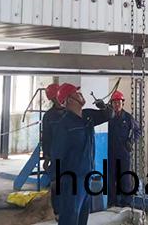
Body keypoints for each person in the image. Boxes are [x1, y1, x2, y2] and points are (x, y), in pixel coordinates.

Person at [52, 83, 111, 225]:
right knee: (70, 218)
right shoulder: (64, 125)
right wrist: (56, 195)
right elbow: (57, 157)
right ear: (69, 100)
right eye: (77, 93)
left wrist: (104, 107)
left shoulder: (87, 116)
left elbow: (110, 115)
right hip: (71, 181)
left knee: (82, 218)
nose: (81, 94)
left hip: (87, 177)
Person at [106, 90, 141, 207]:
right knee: (110, 177)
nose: (117, 105)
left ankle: (127, 202)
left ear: (122, 103)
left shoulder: (128, 117)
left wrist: (131, 141)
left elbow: (137, 130)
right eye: (114, 102)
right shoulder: (108, 117)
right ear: (111, 104)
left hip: (123, 152)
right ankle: (112, 202)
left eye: (119, 102)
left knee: (125, 177)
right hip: (110, 152)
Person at [41, 83, 64, 219]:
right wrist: (46, 156)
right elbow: (46, 138)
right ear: (53, 98)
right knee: (56, 184)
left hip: (70, 156)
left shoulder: (71, 112)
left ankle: (68, 209)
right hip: (56, 156)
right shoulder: (49, 116)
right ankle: (58, 211)